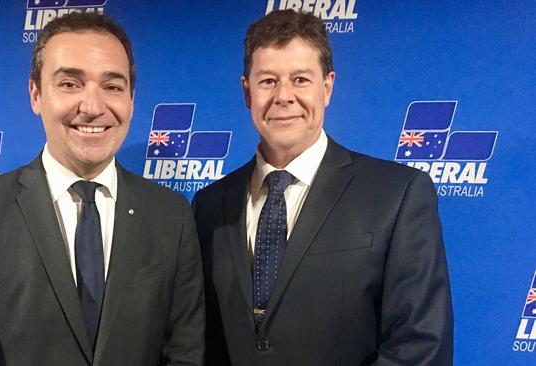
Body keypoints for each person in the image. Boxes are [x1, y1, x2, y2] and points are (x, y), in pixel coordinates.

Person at [0, 12, 204, 366]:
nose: (92, 106)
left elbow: (185, 352)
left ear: (132, 100)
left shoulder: (171, 215)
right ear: (36, 94)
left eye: (112, 86)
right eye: (70, 84)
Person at [193, 9, 453, 365]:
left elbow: (421, 344)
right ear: (246, 92)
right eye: (268, 81)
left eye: (300, 79)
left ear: (327, 87)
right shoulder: (209, 204)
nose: (283, 96)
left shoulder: (397, 194)